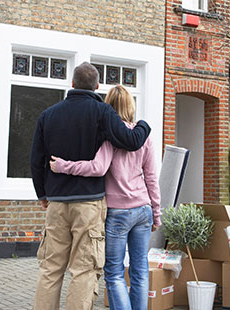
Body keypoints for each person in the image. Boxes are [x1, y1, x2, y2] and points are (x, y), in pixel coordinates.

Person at [30, 62, 151, 310]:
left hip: (56, 202)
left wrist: (42, 194)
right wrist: (144, 126)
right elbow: (131, 141)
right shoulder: (102, 112)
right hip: (89, 204)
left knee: (51, 268)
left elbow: (35, 160)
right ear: (97, 86)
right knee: (84, 270)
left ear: (71, 84)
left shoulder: (47, 115)